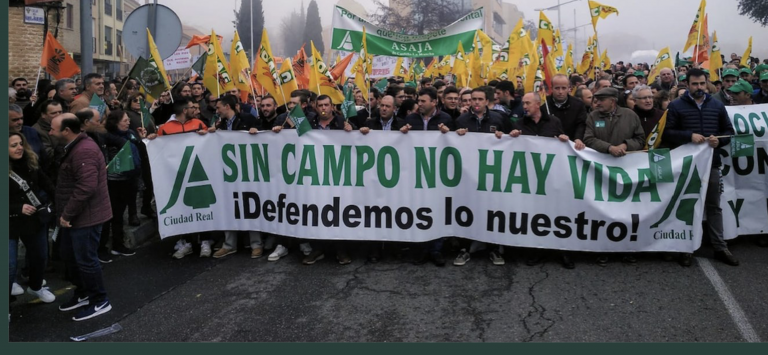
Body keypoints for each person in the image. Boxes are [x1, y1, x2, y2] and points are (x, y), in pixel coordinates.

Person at [663, 68, 738, 267]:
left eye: (702, 84)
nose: (699, 87)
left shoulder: (717, 105)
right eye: (695, 84)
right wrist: (689, 136)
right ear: (687, 84)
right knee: (687, 206)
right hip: (686, 166)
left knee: (714, 206)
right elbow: (668, 133)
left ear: (707, 83)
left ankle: (719, 247)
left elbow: (728, 132)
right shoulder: (676, 106)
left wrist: (718, 142)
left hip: (711, 164)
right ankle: (686, 248)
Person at [273, 95, 355, 265]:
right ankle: (319, 249)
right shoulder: (308, 123)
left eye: (327, 104)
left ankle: (341, 249)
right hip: (314, 176)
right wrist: (280, 133)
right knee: (317, 212)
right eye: (320, 105)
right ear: (315, 107)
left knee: (338, 212)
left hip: (338, 177)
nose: (324, 108)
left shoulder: (342, 123)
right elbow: (295, 140)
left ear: (332, 106)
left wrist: (354, 130)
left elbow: (360, 143)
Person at [49, 113, 113, 321]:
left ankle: (100, 300)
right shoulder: (75, 147)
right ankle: (84, 293)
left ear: (66, 131)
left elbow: (86, 187)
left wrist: (67, 214)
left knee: (86, 260)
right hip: (75, 216)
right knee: (71, 256)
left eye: (53, 129)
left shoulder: (83, 151)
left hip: (86, 217)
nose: (50, 132)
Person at [583, 87, 646, 265]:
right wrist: (609, 148)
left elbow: (641, 139)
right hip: (601, 172)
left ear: (613, 101)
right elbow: (588, 139)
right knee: (603, 211)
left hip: (626, 172)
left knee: (626, 211)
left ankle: (627, 249)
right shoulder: (593, 117)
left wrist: (625, 145)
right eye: (596, 99)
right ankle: (604, 249)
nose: (597, 103)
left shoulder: (630, 116)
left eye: (601, 99)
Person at [148, 98, 215, 258]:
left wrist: (209, 134)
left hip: (199, 175)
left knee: (202, 206)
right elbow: (160, 150)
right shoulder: (165, 128)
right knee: (182, 209)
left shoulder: (199, 123)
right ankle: (188, 242)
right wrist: (152, 140)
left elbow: (211, 143)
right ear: (185, 110)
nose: (196, 110)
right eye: (192, 107)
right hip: (176, 175)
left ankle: (205, 241)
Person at [451, 88, 507, 266]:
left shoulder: (498, 119)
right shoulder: (461, 120)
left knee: (491, 210)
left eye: (479, 99)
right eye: (473, 99)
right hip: (467, 174)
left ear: (486, 101)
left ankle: (493, 248)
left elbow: (513, 142)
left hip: (491, 174)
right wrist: (456, 136)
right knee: (466, 210)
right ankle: (464, 249)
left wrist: (503, 137)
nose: (475, 102)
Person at [400, 88, 453, 266]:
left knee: (436, 210)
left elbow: (456, 144)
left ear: (434, 102)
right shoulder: (410, 119)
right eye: (418, 101)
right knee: (418, 209)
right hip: (416, 173)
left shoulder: (445, 119)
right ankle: (421, 249)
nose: (419, 104)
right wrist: (402, 134)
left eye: (423, 101)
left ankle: (436, 250)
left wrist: (450, 134)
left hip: (437, 173)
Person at [211, 94, 264, 259]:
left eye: (219, 107)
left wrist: (256, 132)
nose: (217, 110)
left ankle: (256, 244)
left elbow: (263, 138)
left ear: (227, 106)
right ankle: (229, 244)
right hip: (228, 173)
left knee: (250, 205)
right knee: (228, 207)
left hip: (247, 171)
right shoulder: (220, 123)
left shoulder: (247, 119)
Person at [9, 132, 57, 308]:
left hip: (34, 220)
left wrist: (58, 202)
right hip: (9, 223)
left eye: (20, 143)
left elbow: (46, 184)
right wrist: (17, 208)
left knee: (40, 257)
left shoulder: (30, 162)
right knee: (9, 265)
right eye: (13, 145)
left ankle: (36, 287)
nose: (19, 147)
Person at [100, 110, 145, 259]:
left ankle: (118, 245)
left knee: (119, 215)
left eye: (128, 120)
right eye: (124, 120)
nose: (128, 122)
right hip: (113, 182)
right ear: (115, 122)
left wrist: (141, 139)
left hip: (129, 180)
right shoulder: (107, 137)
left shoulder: (131, 133)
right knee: (109, 216)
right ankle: (102, 248)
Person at [543, 74, 587, 149]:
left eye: (563, 88)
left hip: (571, 145)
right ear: (551, 88)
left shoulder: (578, 104)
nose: (560, 92)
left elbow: (581, 124)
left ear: (569, 88)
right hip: (549, 146)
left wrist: (578, 138)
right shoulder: (544, 104)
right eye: (557, 88)